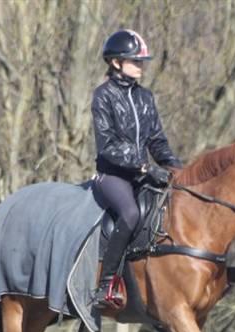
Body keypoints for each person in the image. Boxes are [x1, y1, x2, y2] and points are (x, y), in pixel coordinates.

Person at [91, 29, 183, 308]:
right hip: (112, 175)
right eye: (135, 60)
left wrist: (176, 168)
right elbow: (108, 145)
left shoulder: (145, 97)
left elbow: (156, 140)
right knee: (130, 214)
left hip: (141, 173)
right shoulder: (103, 96)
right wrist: (144, 167)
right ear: (116, 62)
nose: (141, 65)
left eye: (142, 61)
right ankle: (105, 286)